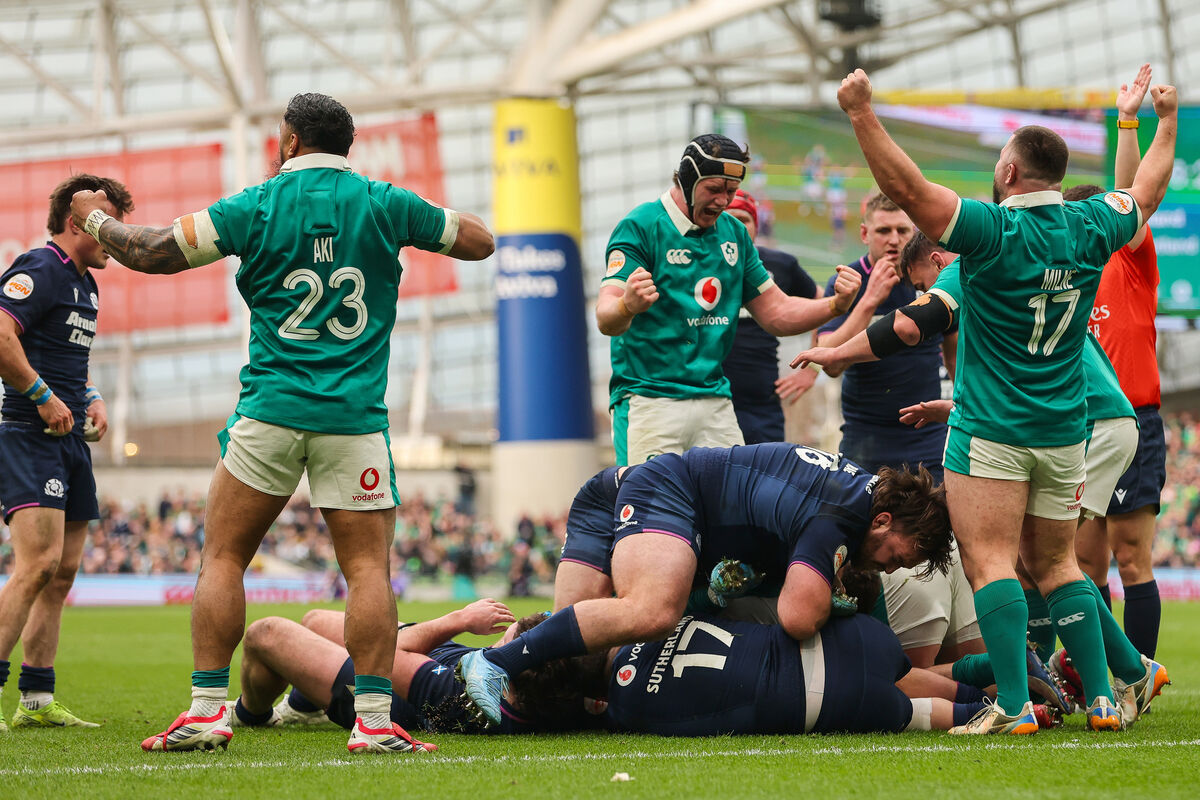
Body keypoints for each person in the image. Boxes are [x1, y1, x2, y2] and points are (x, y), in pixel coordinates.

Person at [69, 92, 495, 753]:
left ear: (290, 141)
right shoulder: (384, 202)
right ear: (347, 146)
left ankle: (209, 710)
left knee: (225, 556)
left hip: (269, 410)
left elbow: (151, 251)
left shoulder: (255, 205)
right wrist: (426, 219)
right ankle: (376, 725)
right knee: (367, 573)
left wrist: (96, 223)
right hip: (353, 418)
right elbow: (479, 241)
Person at [831, 66, 1176, 734]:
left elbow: (905, 189)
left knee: (992, 562)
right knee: (1059, 563)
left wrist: (861, 114)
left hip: (991, 428)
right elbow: (1148, 191)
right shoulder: (1091, 225)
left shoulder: (989, 233)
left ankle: (1014, 704)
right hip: (1064, 427)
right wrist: (1163, 121)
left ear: (1012, 175)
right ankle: (1105, 698)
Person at [797, 230, 1168, 729]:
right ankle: (1101, 685)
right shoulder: (1016, 271)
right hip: (1081, 419)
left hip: (1087, 421)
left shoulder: (973, 271)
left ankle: (1093, 682)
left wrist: (838, 352)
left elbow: (910, 326)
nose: (928, 295)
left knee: (1042, 561)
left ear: (936, 260)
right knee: (1039, 560)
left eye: (925, 284)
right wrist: (956, 408)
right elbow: (1020, 373)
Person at [459, 441, 953, 725]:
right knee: (651, 613)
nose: (889, 568)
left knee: (575, 653)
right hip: (666, 489)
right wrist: (835, 601)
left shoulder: (852, 494)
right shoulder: (841, 516)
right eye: (895, 556)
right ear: (884, 520)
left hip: (620, 492)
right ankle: (491, 661)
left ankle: (481, 672)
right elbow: (799, 617)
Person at [596, 134, 862, 466]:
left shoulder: (733, 234)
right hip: (650, 400)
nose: (724, 201)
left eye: (732, 191)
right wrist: (627, 306)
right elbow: (606, 316)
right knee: (652, 510)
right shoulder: (640, 227)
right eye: (715, 189)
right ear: (689, 180)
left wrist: (835, 305)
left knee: (734, 509)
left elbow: (777, 312)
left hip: (715, 401)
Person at [0, 174, 132, 732]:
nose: (116, 235)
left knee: (63, 572)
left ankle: (36, 699)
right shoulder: (41, 268)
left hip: (71, 441)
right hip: (30, 437)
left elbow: (66, 357)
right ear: (77, 221)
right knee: (36, 567)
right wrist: (41, 396)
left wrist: (92, 397)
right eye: (107, 222)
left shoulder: (87, 284)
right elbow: (2, 335)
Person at [1070, 66, 1167, 661]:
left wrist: (1130, 121)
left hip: (1134, 418)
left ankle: (1139, 676)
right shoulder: (1061, 279)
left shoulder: (1125, 261)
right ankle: (1100, 672)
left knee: (1130, 554)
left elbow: (1131, 195)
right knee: (1082, 559)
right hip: (1076, 426)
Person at [227, 599, 581, 737]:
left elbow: (387, 654)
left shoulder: (461, 695)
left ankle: (253, 714)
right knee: (315, 619)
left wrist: (459, 618)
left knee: (265, 634)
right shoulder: (561, 692)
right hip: (432, 655)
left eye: (507, 639)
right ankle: (303, 708)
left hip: (379, 683)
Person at [815, 193, 950, 482]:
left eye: (902, 230)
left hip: (927, 435)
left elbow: (955, 352)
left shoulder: (932, 278)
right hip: (866, 435)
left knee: (936, 523)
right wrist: (869, 300)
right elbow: (830, 362)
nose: (893, 239)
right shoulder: (848, 280)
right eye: (883, 231)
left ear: (913, 232)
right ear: (865, 233)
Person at [720, 189, 822, 443]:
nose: (736, 228)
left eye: (743, 220)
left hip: (761, 406)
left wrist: (813, 368)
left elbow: (826, 304)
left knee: (763, 479)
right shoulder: (696, 267)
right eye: (727, 219)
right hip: (707, 402)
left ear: (756, 225)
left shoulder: (779, 265)